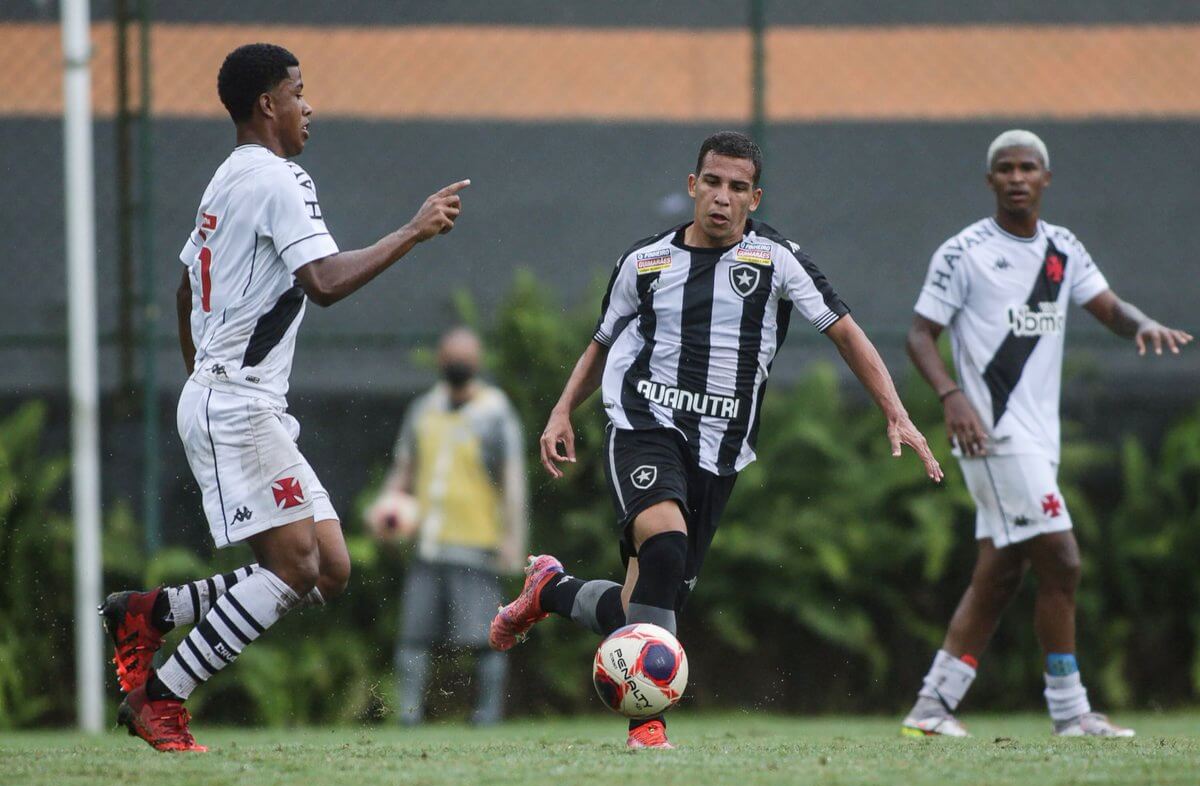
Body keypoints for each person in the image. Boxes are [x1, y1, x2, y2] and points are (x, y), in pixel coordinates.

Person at [489, 130, 944, 749]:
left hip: (720, 450)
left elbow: (846, 332)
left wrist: (895, 412)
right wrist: (563, 410)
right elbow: (601, 342)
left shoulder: (778, 260)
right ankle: (646, 725)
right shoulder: (645, 262)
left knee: (642, 608)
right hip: (643, 422)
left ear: (755, 198)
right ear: (692, 187)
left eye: (737, 188)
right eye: (712, 183)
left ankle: (552, 589)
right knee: (667, 549)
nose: (722, 198)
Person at [98, 42, 469, 751]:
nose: (309, 107)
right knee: (297, 567)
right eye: (299, 92)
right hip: (238, 403)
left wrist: (204, 377)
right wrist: (414, 231)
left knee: (328, 568)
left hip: (230, 397)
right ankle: (161, 698)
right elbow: (323, 282)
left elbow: (184, 292)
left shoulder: (227, 178)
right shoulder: (280, 179)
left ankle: (151, 612)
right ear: (267, 104)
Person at [900, 130, 1192, 738]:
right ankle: (1070, 711)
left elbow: (1107, 307)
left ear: (1046, 179)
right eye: (1004, 168)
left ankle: (932, 706)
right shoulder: (964, 252)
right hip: (992, 434)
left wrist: (1145, 324)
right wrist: (953, 398)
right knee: (1062, 560)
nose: (1016, 177)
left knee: (1001, 571)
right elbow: (919, 334)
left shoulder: (1062, 250)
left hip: (1038, 439)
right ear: (990, 181)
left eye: (1027, 167)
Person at [367, 327, 527, 726]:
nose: (457, 363)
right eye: (451, 355)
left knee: (487, 638)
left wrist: (513, 540)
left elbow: (512, 481)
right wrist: (386, 509)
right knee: (413, 637)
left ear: (477, 361)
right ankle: (408, 715)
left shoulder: (495, 412)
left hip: (477, 544)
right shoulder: (423, 409)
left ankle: (486, 716)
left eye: (465, 355)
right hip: (428, 544)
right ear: (441, 360)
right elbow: (404, 469)